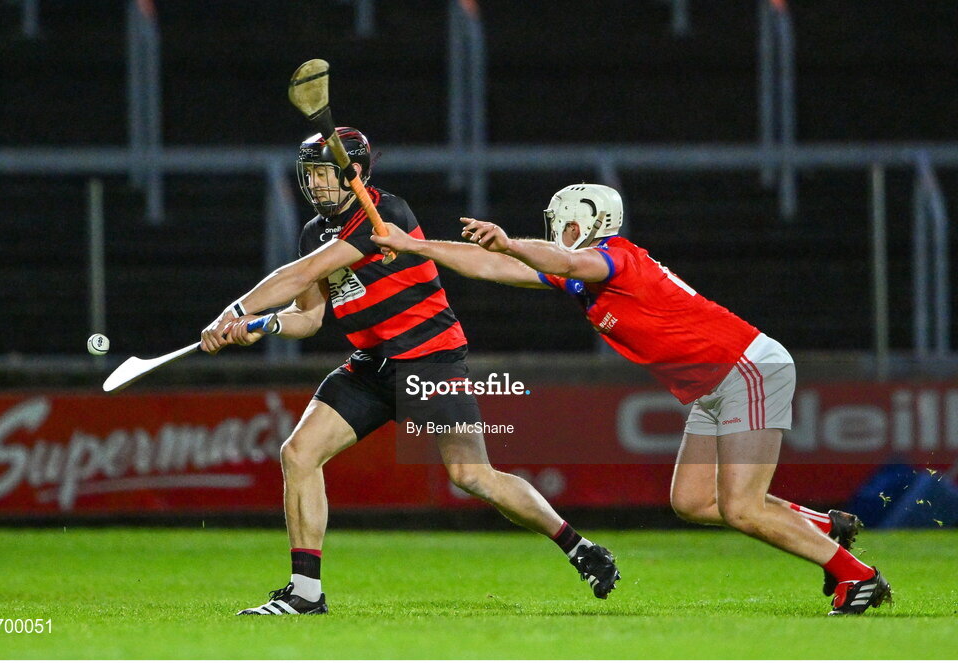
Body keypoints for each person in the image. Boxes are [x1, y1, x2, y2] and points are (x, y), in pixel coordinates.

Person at [371, 183, 891, 617]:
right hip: (716, 385)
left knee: (741, 507)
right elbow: (487, 267)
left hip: (745, 370)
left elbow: (552, 256)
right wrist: (415, 246)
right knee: (692, 502)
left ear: (589, 225)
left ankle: (858, 576)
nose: (560, 231)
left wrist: (509, 242)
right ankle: (827, 526)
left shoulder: (614, 260)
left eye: (567, 224)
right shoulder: (580, 273)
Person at [200, 131, 619, 615]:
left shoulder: (386, 215)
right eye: (309, 174)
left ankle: (578, 547)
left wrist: (230, 310)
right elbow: (309, 317)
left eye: (323, 174)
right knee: (298, 454)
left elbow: (297, 274)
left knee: (472, 476)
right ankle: (305, 593)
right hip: (369, 369)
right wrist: (263, 323)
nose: (315, 185)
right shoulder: (314, 231)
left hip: (430, 363)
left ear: (352, 175)